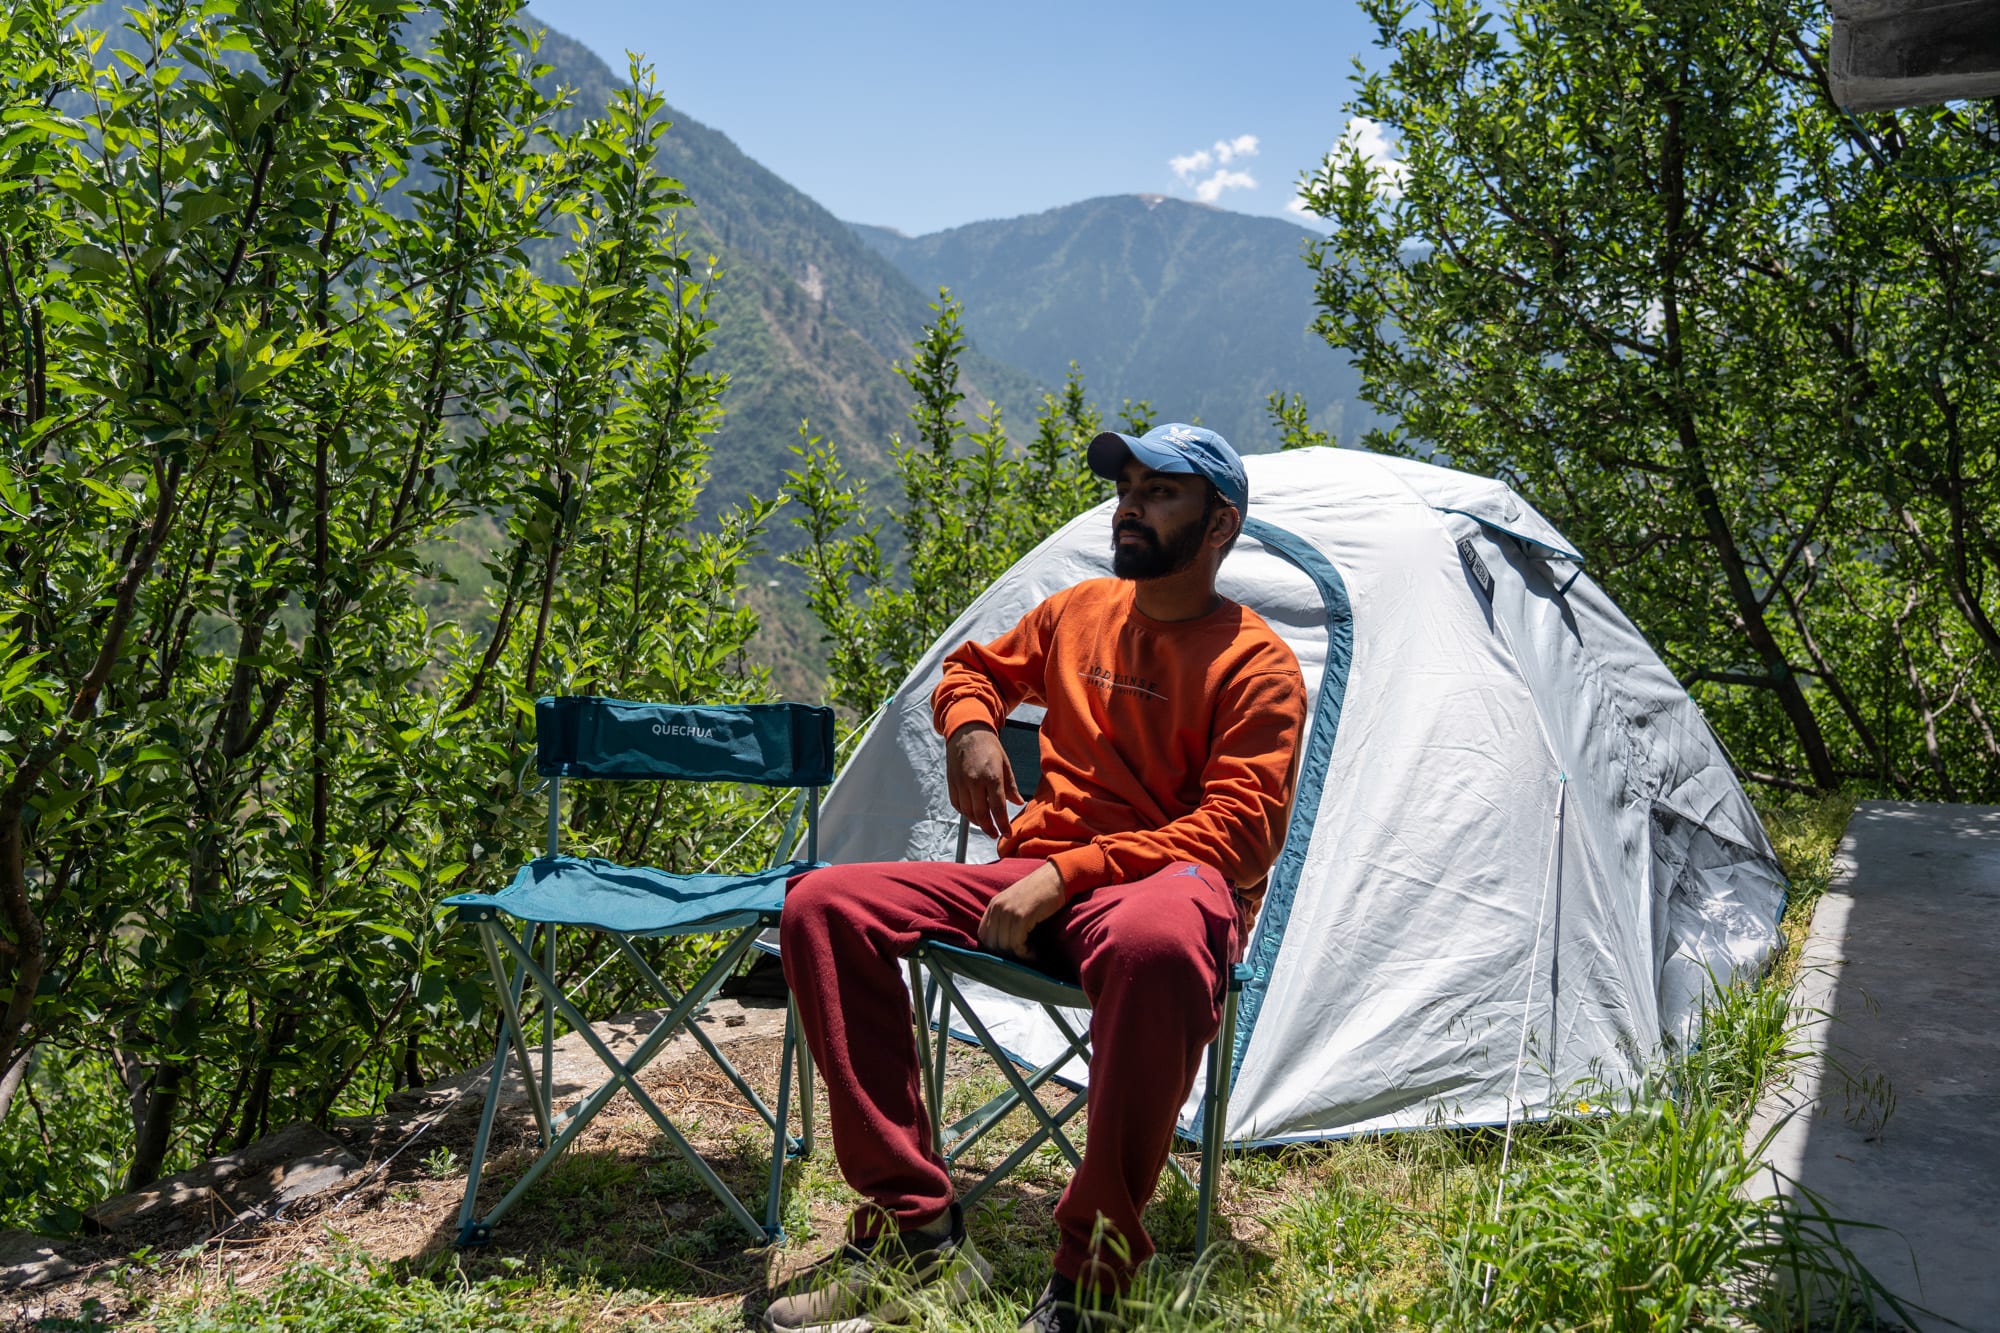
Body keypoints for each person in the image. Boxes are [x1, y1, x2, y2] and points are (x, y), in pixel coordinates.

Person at [767, 424, 1307, 1333]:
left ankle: (1094, 1273)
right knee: (822, 904)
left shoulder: (1257, 664)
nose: (1130, 503)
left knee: (1161, 937)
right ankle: (916, 1233)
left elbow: (1238, 834)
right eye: (1127, 485)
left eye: (1161, 491)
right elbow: (972, 668)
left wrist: (1070, 872)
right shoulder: (1081, 610)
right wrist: (971, 724)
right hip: (1036, 880)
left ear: (1221, 525)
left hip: (1156, 894)